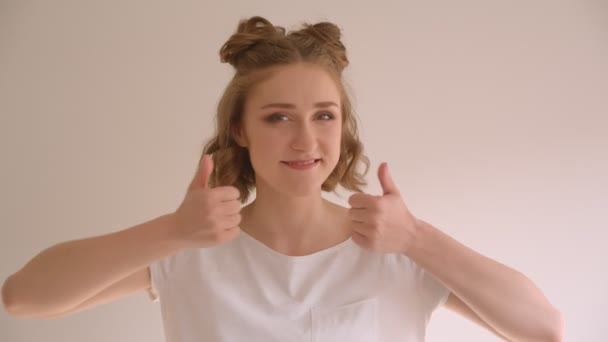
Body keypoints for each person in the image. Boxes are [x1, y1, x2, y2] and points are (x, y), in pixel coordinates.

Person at [1, 16, 563, 342]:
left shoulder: (399, 250)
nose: (305, 140)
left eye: (324, 115)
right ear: (239, 131)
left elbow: (544, 329)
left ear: (343, 128)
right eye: (277, 118)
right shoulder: (189, 250)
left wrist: (417, 239)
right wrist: (171, 230)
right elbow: (22, 298)